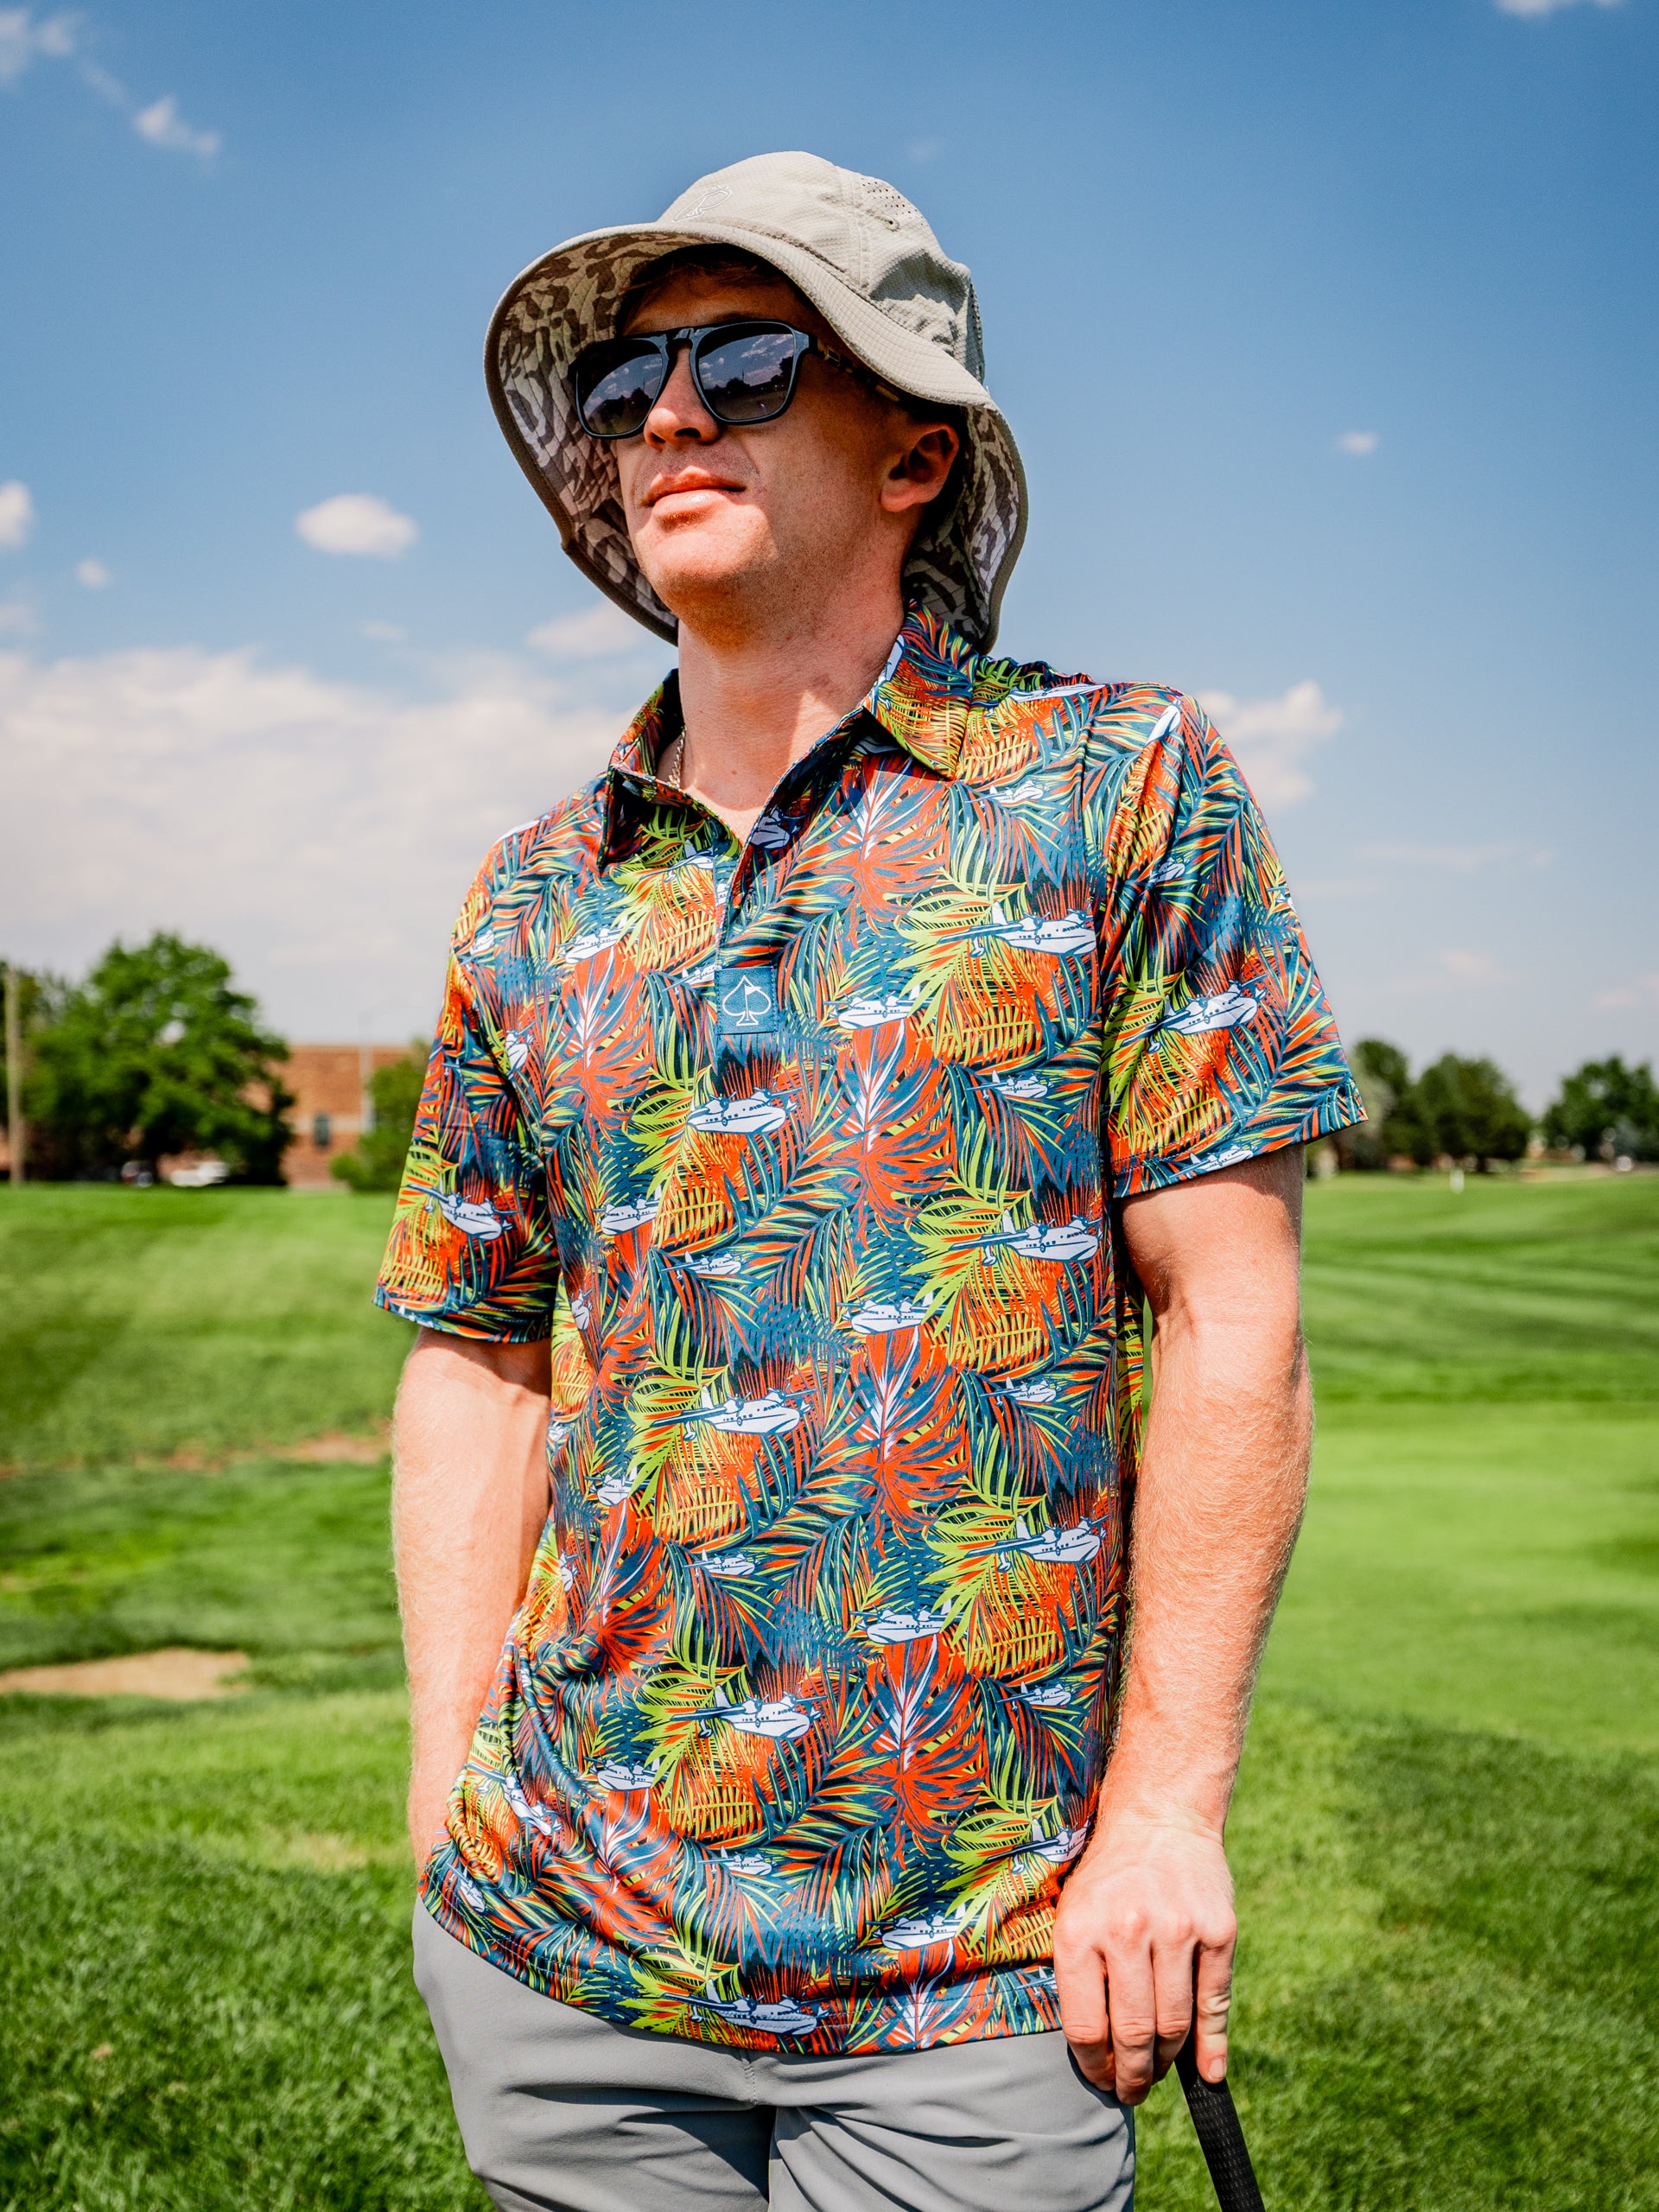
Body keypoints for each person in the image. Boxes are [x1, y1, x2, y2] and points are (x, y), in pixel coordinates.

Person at [378, 150, 1363, 2212]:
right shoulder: (536, 889)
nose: (665, 414)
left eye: (743, 360)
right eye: (630, 378)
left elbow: (1230, 1308)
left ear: (914, 451)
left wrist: (1168, 1809)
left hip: (978, 1977)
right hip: (562, 1947)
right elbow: (477, 1355)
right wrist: (446, 1783)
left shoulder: (1119, 787)